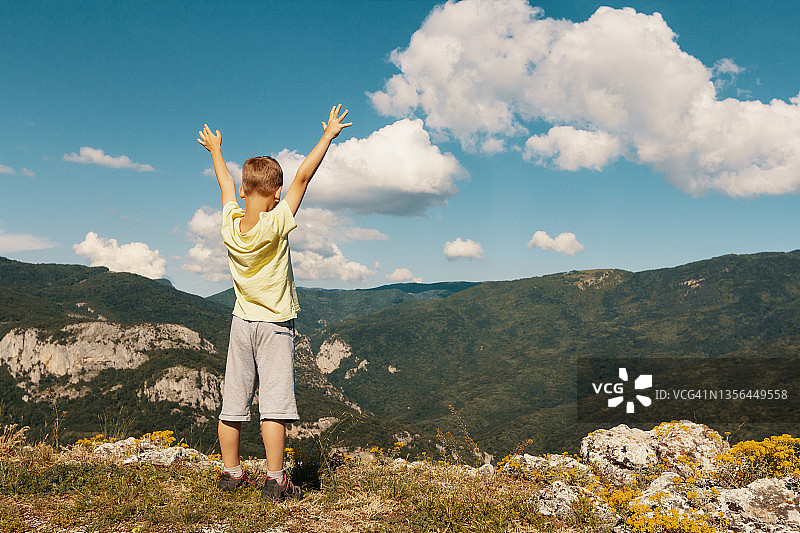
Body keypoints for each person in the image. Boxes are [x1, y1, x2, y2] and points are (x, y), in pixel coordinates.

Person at [197, 105, 353, 500]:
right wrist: (328, 136)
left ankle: (231, 474)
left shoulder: (230, 224)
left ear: (244, 191)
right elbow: (304, 176)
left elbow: (224, 183)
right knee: (274, 407)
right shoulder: (277, 222)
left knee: (233, 404)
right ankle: (276, 480)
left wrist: (215, 149)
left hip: (241, 323)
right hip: (275, 325)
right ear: (277, 194)